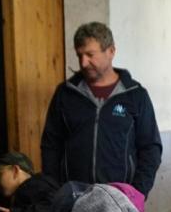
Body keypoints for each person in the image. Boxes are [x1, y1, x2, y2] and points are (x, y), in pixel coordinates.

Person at [40, 22, 162, 197]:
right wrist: (54, 191)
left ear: (111, 51)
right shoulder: (65, 94)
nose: (83, 62)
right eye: (79, 55)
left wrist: (137, 193)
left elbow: (151, 148)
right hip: (72, 198)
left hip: (119, 200)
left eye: (90, 55)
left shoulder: (135, 95)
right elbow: (51, 145)